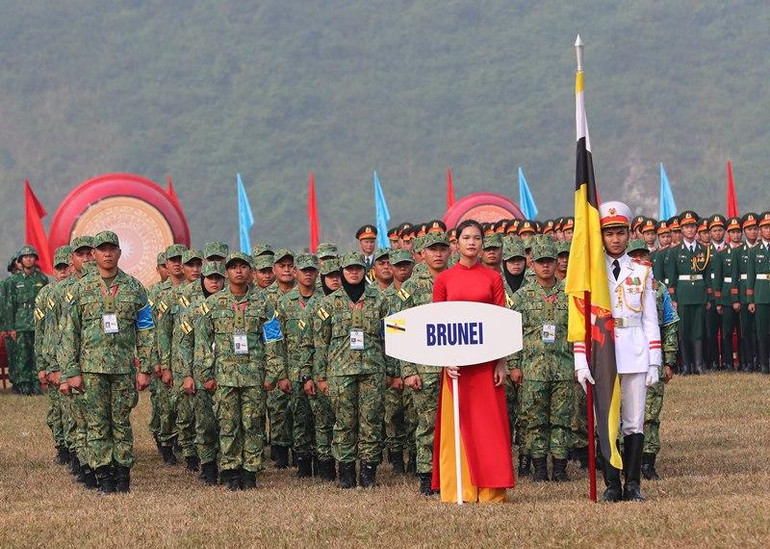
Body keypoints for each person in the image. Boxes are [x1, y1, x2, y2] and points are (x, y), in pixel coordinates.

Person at [575, 202, 661, 502]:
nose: (615, 239)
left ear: (629, 234)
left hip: (635, 347)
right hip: (602, 351)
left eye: (620, 232)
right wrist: (579, 358)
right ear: (601, 236)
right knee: (605, 421)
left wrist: (654, 360)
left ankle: (633, 483)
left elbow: (651, 317)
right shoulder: (590, 272)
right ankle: (611, 482)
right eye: (609, 233)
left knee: (634, 421)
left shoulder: (642, 269)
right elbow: (581, 318)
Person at [59, 231, 156, 493]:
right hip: (91, 370)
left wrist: (145, 368)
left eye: (112, 248)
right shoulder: (81, 288)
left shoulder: (135, 288)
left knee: (121, 423)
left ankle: (122, 475)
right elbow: (70, 332)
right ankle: (103, 476)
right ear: (95, 254)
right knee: (97, 423)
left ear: (119, 253)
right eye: (102, 249)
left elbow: (146, 329)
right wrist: (71, 371)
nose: (107, 253)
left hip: (124, 369)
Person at [433, 219, 514, 504]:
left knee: (489, 426)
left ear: (482, 243)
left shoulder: (493, 278)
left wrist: (501, 362)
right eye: (466, 237)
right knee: (458, 423)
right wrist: (445, 361)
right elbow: (437, 324)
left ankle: (491, 490)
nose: (471, 243)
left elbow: (502, 323)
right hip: (456, 367)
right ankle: (460, 489)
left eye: (476, 238)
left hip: (485, 364)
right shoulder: (443, 280)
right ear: (456, 243)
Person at [195, 252, 289, 490]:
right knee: (228, 425)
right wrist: (205, 374)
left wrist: (272, 374)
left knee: (253, 424)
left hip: (254, 376)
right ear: (227, 272)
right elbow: (203, 342)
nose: (238, 271)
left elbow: (273, 341)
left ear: (251, 271)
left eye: (243, 267)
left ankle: (250, 471)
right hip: (224, 377)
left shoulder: (264, 305)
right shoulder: (213, 304)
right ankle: (230, 471)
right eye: (233, 267)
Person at [313, 251, 392, 489]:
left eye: (357, 268)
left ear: (364, 271)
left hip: (373, 369)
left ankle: (368, 473)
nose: (353, 272)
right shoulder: (328, 303)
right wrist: (320, 376)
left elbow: (391, 338)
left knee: (371, 421)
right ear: (341, 272)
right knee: (344, 422)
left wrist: (392, 371)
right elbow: (321, 342)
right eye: (349, 269)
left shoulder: (379, 300)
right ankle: (346, 473)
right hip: (339, 371)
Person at [508, 237, 572, 482]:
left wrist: (579, 364)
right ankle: (539, 469)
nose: (545, 266)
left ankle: (559, 468)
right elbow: (512, 334)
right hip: (531, 370)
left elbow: (578, 332)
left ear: (557, 263)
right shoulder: (522, 296)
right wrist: (514, 365)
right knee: (534, 420)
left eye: (550, 262)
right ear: (531, 264)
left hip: (563, 367)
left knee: (561, 420)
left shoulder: (568, 293)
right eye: (540, 262)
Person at [400, 231, 451, 495]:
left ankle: (452, 474)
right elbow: (400, 329)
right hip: (424, 367)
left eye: (443, 248)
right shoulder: (411, 286)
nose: (438, 253)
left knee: (457, 423)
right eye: (433, 249)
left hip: (457, 365)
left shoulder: (458, 278)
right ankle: (426, 476)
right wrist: (408, 371)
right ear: (423, 253)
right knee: (428, 424)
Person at [627, 239, 678, 480]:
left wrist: (669, 361)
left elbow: (669, 325)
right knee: (626, 413)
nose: (639, 259)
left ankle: (648, 462)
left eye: (643, 255)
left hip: (653, 357)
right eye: (634, 255)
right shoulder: (620, 285)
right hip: (628, 356)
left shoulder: (659, 289)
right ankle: (626, 461)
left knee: (651, 414)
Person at [176, 260, 226, 485]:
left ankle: (228, 464)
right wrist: (186, 374)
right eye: (210, 278)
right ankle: (207, 465)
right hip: (199, 373)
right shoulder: (192, 310)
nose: (214, 282)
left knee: (228, 422)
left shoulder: (230, 306)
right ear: (202, 280)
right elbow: (184, 344)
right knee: (204, 423)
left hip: (228, 373)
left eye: (218, 278)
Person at [277, 252, 321, 478]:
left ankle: (323, 462)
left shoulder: (326, 301)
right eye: (304, 270)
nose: (308, 275)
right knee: (299, 417)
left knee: (322, 417)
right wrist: (281, 374)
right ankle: (303, 463)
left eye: (312, 270)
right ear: (296, 272)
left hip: (319, 369)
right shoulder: (283, 303)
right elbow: (276, 341)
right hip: (293, 371)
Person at [379, 249, 417, 474]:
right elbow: (381, 338)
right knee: (392, 416)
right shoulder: (382, 300)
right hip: (390, 366)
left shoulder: (418, 295)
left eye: (406, 265)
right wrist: (389, 373)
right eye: (398, 265)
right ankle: (396, 460)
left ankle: (414, 458)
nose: (402, 269)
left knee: (414, 416)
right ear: (390, 268)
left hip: (414, 364)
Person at [34, 246, 72, 463]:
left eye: (66, 267)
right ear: (54, 270)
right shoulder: (45, 295)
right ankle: (62, 447)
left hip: (73, 359)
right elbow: (40, 331)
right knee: (57, 408)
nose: (64, 272)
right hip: (53, 359)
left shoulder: (76, 290)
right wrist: (42, 365)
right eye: (59, 268)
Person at [262, 249, 297, 468]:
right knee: (277, 408)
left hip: (299, 359)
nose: (285, 270)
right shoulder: (265, 298)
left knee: (300, 408)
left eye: (289, 266)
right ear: (274, 269)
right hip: (274, 360)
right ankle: (280, 452)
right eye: (281, 266)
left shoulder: (304, 293)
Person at [665, 211, 710, 375]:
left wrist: (708, 296)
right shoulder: (675, 251)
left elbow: (707, 276)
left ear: (696, 229)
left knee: (698, 330)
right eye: (686, 227)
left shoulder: (704, 250)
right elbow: (672, 279)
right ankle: (686, 366)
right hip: (683, 294)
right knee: (683, 331)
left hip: (698, 292)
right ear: (681, 229)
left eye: (692, 226)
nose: (690, 230)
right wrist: (674, 299)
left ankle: (698, 365)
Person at [5, 245, 49, 395]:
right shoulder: (14, 281)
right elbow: (9, 305)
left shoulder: (42, 278)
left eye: (31, 256)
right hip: (21, 323)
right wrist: (10, 327)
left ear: (35, 259)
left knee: (37, 355)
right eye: (25, 257)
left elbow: (47, 303)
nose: (28, 259)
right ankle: (23, 386)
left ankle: (37, 385)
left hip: (38, 322)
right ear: (20, 260)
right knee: (22, 356)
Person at [747, 212, 770, 374]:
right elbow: (750, 277)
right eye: (765, 227)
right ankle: (764, 364)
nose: (768, 230)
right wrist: (751, 300)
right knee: (762, 331)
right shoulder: (754, 251)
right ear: (760, 229)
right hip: (761, 295)